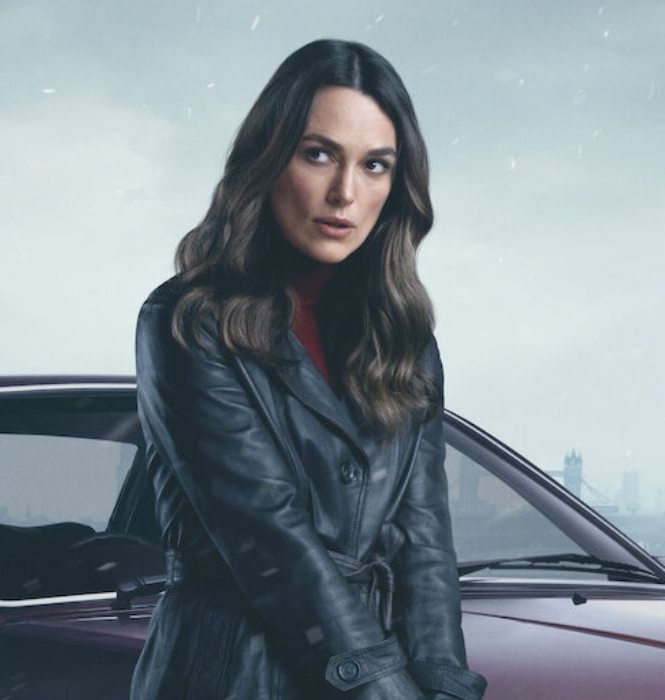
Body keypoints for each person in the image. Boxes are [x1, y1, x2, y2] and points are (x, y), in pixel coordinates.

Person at [131, 40, 487, 700]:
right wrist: (389, 690)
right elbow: (273, 543)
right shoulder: (187, 321)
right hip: (231, 675)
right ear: (269, 160)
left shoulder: (405, 341)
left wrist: (442, 681)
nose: (345, 193)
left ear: (394, 185)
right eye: (318, 154)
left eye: (375, 165)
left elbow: (426, 543)